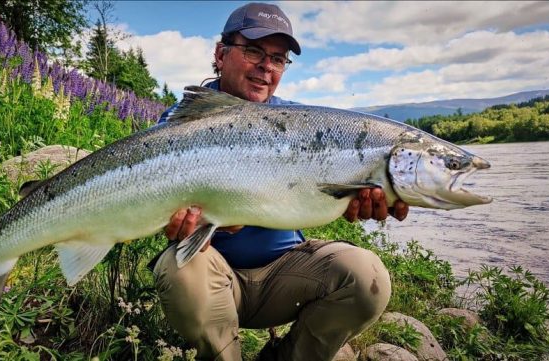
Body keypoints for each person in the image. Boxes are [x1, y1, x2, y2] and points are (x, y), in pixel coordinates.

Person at [152, 3, 409, 360]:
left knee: (367, 276)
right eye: (254, 51)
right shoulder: (182, 125)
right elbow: (148, 208)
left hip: (286, 277)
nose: (266, 67)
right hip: (211, 278)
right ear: (220, 54)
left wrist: (361, 195)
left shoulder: (298, 122)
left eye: (278, 58)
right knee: (178, 268)